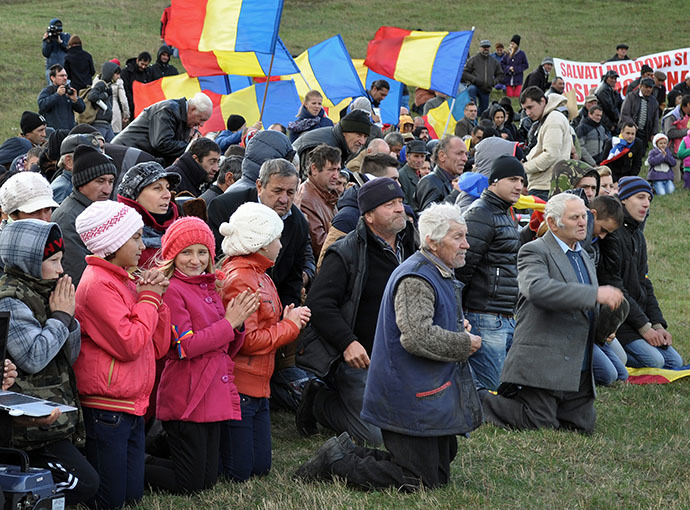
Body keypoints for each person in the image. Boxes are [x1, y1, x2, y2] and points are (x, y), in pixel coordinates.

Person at [295, 202, 482, 490]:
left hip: (424, 391)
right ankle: (336, 462)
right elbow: (417, 336)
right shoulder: (417, 277)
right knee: (419, 480)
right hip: (409, 395)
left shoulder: (437, 269)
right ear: (432, 241)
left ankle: (344, 452)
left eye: (465, 236)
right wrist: (462, 342)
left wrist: (455, 327)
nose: (466, 245)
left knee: (439, 469)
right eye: (458, 237)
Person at [481, 193, 624, 434]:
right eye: (575, 217)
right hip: (543, 362)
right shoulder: (534, 251)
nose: (583, 222)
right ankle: (479, 400)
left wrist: (608, 317)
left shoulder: (584, 255)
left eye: (584, 216)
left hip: (577, 364)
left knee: (581, 428)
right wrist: (594, 295)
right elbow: (536, 289)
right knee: (539, 422)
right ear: (554, 222)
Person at [295, 178, 417, 445]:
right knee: (375, 437)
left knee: (414, 424)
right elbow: (319, 304)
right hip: (360, 359)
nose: (399, 209)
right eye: (389, 205)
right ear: (369, 216)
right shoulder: (346, 252)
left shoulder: (410, 244)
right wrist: (348, 343)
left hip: (400, 356)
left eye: (400, 202)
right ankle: (321, 402)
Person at [145, 217, 258, 494]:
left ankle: (156, 451)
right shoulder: (172, 289)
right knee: (190, 485)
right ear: (172, 255)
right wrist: (229, 323)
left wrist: (238, 325)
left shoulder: (209, 286)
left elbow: (223, 346)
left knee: (208, 479)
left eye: (202, 252)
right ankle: (134, 462)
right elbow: (185, 347)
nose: (195, 260)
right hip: (188, 396)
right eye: (186, 252)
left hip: (212, 394)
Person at [73, 199, 171, 509]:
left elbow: (157, 345)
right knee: (110, 499)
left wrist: (158, 299)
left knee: (132, 495)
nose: (143, 246)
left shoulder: (125, 279)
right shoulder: (98, 285)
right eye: (136, 237)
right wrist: (149, 301)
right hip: (107, 406)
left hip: (130, 403)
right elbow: (129, 343)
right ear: (112, 243)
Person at [0, 220, 99, 505]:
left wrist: (67, 319)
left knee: (98, 487)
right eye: (53, 261)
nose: (61, 269)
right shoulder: (10, 299)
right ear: (28, 260)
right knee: (85, 485)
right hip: (25, 431)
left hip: (51, 423)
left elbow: (71, 354)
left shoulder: (47, 290)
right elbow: (33, 358)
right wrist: (61, 317)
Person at [218, 202, 310, 481]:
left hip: (259, 385)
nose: (281, 244)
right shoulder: (242, 279)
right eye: (276, 238)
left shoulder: (259, 274)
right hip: (242, 385)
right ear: (260, 243)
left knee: (260, 468)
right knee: (240, 472)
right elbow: (247, 340)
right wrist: (290, 326)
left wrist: (284, 320)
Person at [598, 177, 683, 369]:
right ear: (624, 199)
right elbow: (617, 288)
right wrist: (644, 328)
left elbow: (645, 283)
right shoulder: (612, 235)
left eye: (649, 199)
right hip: (621, 322)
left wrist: (657, 324)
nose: (646, 203)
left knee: (674, 362)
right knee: (656, 361)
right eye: (640, 197)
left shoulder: (638, 236)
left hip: (639, 317)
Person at [457, 156, 524, 391]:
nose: (519, 186)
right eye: (512, 179)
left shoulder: (505, 212)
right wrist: (459, 312)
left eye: (522, 180)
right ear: (494, 182)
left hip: (504, 314)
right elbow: (463, 267)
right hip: (484, 314)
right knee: (491, 388)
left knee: (506, 386)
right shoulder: (481, 213)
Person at [51, 145, 118, 287]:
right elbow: (79, 277)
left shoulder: (101, 209)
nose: (107, 190)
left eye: (111, 182)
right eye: (100, 181)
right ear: (81, 183)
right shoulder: (67, 219)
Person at [112, 92, 213, 166]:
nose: (202, 124)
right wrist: (190, 146)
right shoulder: (168, 110)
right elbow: (161, 143)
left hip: (135, 156)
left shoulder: (184, 119)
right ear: (192, 109)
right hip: (122, 154)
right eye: (201, 119)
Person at [116, 161, 181, 268]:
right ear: (134, 196)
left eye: (168, 188)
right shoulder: (120, 241)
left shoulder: (181, 228)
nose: (167, 195)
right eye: (157, 188)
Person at [521, 87, 572, 200]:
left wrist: (524, 167)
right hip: (546, 185)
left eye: (530, 107)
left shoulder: (553, 119)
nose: (528, 113)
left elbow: (550, 155)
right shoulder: (549, 118)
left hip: (546, 188)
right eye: (525, 109)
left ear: (542, 101)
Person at [295, 144, 341, 260]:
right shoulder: (306, 199)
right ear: (314, 169)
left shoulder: (328, 194)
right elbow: (321, 247)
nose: (336, 176)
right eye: (331, 170)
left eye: (338, 170)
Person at [293, 110, 372, 171]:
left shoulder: (343, 145)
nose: (362, 141)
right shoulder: (322, 147)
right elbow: (309, 183)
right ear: (345, 132)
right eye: (358, 135)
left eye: (365, 137)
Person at [414, 136, 467, 211]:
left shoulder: (456, 180)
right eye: (459, 153)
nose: (465, 158)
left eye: (466, 154)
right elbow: (429, 217)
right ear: (442, 156)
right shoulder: (429, 181)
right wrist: (456, 193)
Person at [50, 133, 102, 204]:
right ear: (69, 161)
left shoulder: (73, 185)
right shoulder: (64, 189)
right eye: (90, 159)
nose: (99, 164)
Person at [38, 64, 86, 131]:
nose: (65, 78)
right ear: (52, 78)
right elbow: (42, 106)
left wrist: (75, 100)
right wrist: (57, 95)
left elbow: (82, 109)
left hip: (68, 132)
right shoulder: (48, 91)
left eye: (66, 75)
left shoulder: (69, 91)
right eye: (61, 75)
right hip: (53, 133)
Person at [462, 40, 503, 114]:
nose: (485, 49)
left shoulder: (494, 61)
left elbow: (500, 75)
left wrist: (493, 82)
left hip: (486, 89)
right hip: (475, 86)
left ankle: (478, 113)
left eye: (487, 47)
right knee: (471, 90)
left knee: (484, 112)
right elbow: (464, 73)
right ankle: (472, 110)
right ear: (480, 48)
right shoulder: (473, 59)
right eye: (484, 47)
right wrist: (474, 79)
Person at [88, 61, 120, 142]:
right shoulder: (101, 84)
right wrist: (105, 95)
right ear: (110, 73)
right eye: (117, 74)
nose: (118, 77)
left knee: (112, 145)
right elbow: (92, 96)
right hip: (99, 123)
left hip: (106, 123)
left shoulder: (108, 86)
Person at [619, 78, 659, 144]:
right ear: (640, 86)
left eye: (650, 87)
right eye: (646, 87)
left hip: (644, 134)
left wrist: (654, 133)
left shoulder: (654, 101)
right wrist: (633, 126)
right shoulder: (631, 96)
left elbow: (655, 119)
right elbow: (625, 114)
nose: (648, 89)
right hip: (629, 132)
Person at [120, 51, 153, 116]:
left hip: (144, 106)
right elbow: (126, 90)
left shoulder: (148, 72)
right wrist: (133, 104)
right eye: (142, 64)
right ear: (137, 60)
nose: (143, 67)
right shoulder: (126, 72)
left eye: (146, 65)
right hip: (130, 105)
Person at [398, 140, 429, 207]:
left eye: (422, 156)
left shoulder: (421, 175)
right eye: (416, 156)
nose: (419, 160)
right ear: (407, 157)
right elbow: (404, 204)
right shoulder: (401, 176)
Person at [42, 19, 70, 84]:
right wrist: (47, 42)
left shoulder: (66, 36)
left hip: (64, 68)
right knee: (52, 89)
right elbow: (45, 53)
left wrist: (61, 42)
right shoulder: (49, 37)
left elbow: (69, 50)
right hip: (51, 68)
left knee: (65, 89)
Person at [110, 60, 130, 134]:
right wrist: (126, 115)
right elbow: (123, 101)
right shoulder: (119, 82)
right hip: (115, 110)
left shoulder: (98, 79)